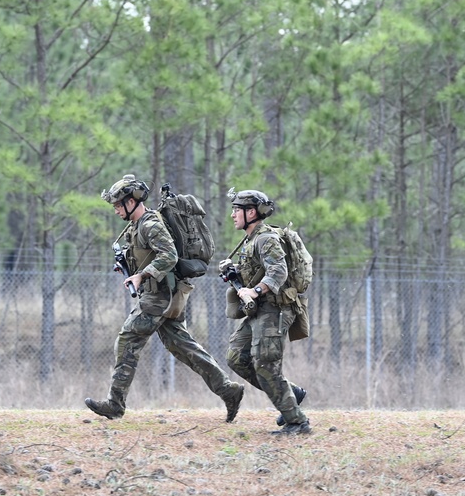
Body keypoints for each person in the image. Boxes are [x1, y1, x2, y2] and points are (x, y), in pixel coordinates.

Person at [86, 175, 245, 422]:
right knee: (183, 347)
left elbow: (169, 256)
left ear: (132, 201)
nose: (116, 210)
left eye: (119, 205)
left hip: (159, 297)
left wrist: (142, 275)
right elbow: (148, 256)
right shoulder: (136, 227)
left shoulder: (150, 224)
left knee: (128, 340)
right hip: (160, 295)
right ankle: (228, 390)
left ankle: (115, 404)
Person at [220, 189, 310, 435]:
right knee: (236, 357)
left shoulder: (265, 238)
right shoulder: (251, 239)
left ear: (251, 212)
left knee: (266, 365)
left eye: (236, 210)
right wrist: (235, 274)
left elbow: (278, 272)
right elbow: (258, 270)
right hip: (261, 309)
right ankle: (293, 394)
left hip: (275, 308)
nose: (232, 215)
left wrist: (255, 291)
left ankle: (297, 422)